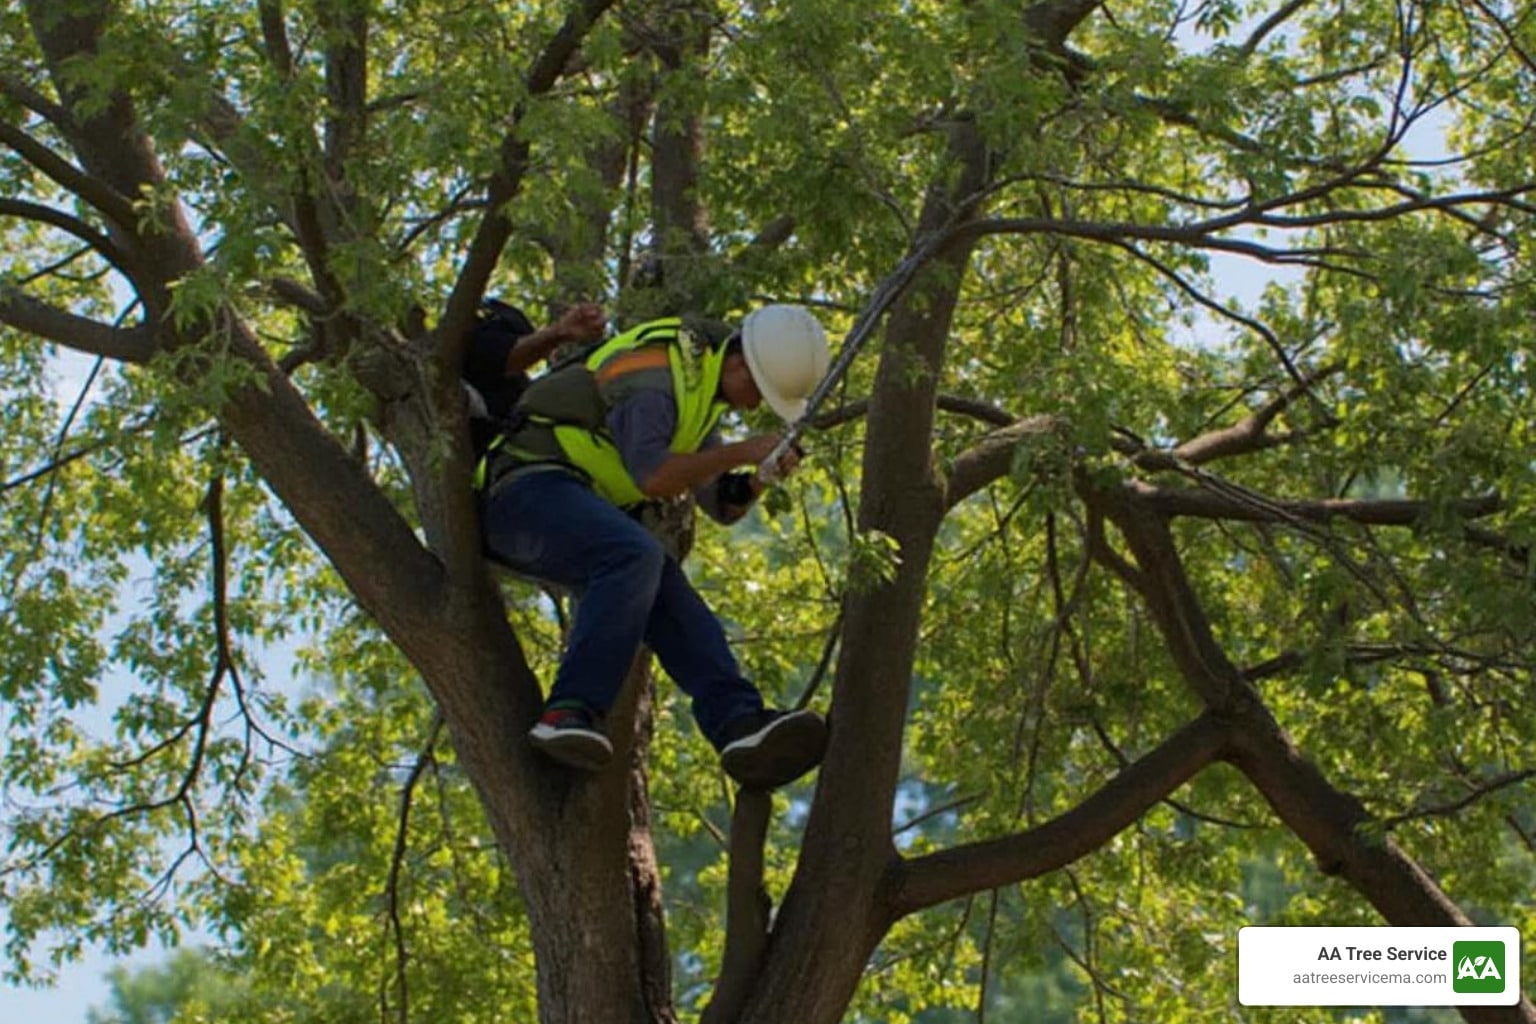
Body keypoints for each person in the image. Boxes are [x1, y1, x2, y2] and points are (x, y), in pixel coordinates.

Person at [474, 304, 832, 790]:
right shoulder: (657, 374)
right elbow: (654, 476)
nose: (753, 408)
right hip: (520, 494)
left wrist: (756, 480)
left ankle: (738, 725)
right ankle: (569, 711)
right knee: (635, 554)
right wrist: (745, 450)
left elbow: (720, 506)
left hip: (567, 506)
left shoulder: (701, 391)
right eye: (759, 392)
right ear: (739, 363)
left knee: (670, 593)